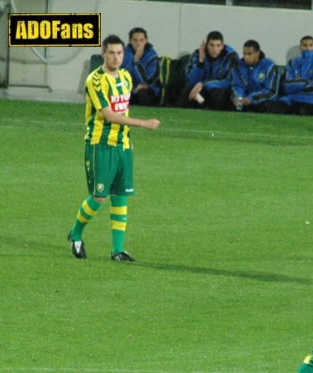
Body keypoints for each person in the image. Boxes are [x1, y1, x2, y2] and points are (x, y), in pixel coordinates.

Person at [67, 34, 160, 262]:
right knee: (99, 196)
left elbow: (123, 111)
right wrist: (143, 124)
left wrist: (127, 139)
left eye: (120, 53)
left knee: (120, 196)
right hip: (101, 145)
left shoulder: (126, 77)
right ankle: (75, 233)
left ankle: (117, 250)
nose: (116, 57)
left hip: (122, 146)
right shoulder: (95, 80)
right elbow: (109, 115)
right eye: (112, 53)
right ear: (103, 54)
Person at [178, 31, 239, 111]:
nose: (215, 49)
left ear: (222, 46)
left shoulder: (231, 56)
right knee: (187, 90)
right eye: (211, 45)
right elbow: (191, 81)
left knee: (218, 93)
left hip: (221, 89)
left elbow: (227, 81)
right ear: (206, 45)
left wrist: (203, 84)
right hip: (202, 89)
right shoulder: (198, 53)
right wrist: (201, 62)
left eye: (218, 46)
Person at [230, 40, 284, 113]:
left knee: (266, 106)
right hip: (246, 101)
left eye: (249, 54)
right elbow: (237, 86)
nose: (246, 57)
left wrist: (251, 99)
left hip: (263, 102)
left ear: (257, 53)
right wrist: (239, 98)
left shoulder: (269, 67)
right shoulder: (239, 66)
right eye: (244, 54)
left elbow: (272, 92)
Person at [279, 36, 313, 116]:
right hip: (291, 98)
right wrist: (305, 82)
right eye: (305, 45)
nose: (308, 48)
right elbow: (286, 85)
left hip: (312, 99)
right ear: (300, 47)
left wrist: (297, 83)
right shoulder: (293, 62)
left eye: (310, 45)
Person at [122, 27, 161, 106]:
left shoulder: (152, 56)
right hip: (129, 89)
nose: (138, 43)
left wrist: (137, 61)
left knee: (143, 93)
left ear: (146, 41)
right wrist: (133, 89)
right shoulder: (123, 54)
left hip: (148, 90)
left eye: (141, 40)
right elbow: (119, 77)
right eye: (135, 40)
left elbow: (148, 81)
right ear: (130, 41)